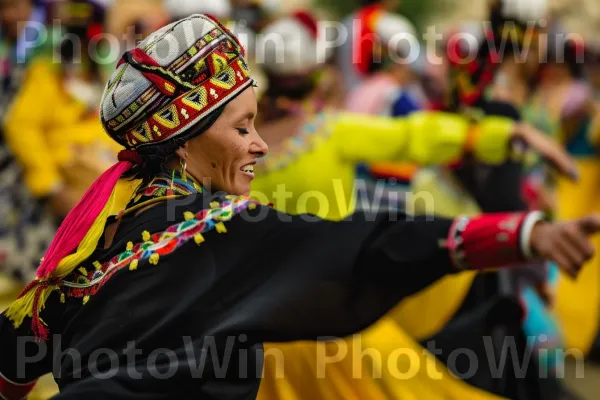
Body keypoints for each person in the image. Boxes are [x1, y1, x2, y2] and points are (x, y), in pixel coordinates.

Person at [0, 14, 597, 400]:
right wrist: (520, 234)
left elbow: (16, 359)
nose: (258, 144)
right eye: (241, 129)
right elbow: (363, 240)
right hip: (319, 337)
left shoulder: (102, 233)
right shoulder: (216, 228)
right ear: (186, 139)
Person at [252, 11, 578, 400]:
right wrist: (509, 134)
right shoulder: (329, 131)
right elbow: (414, 137)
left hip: (259, 330)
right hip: (336, 326)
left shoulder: (237, 140)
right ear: (317, 73)